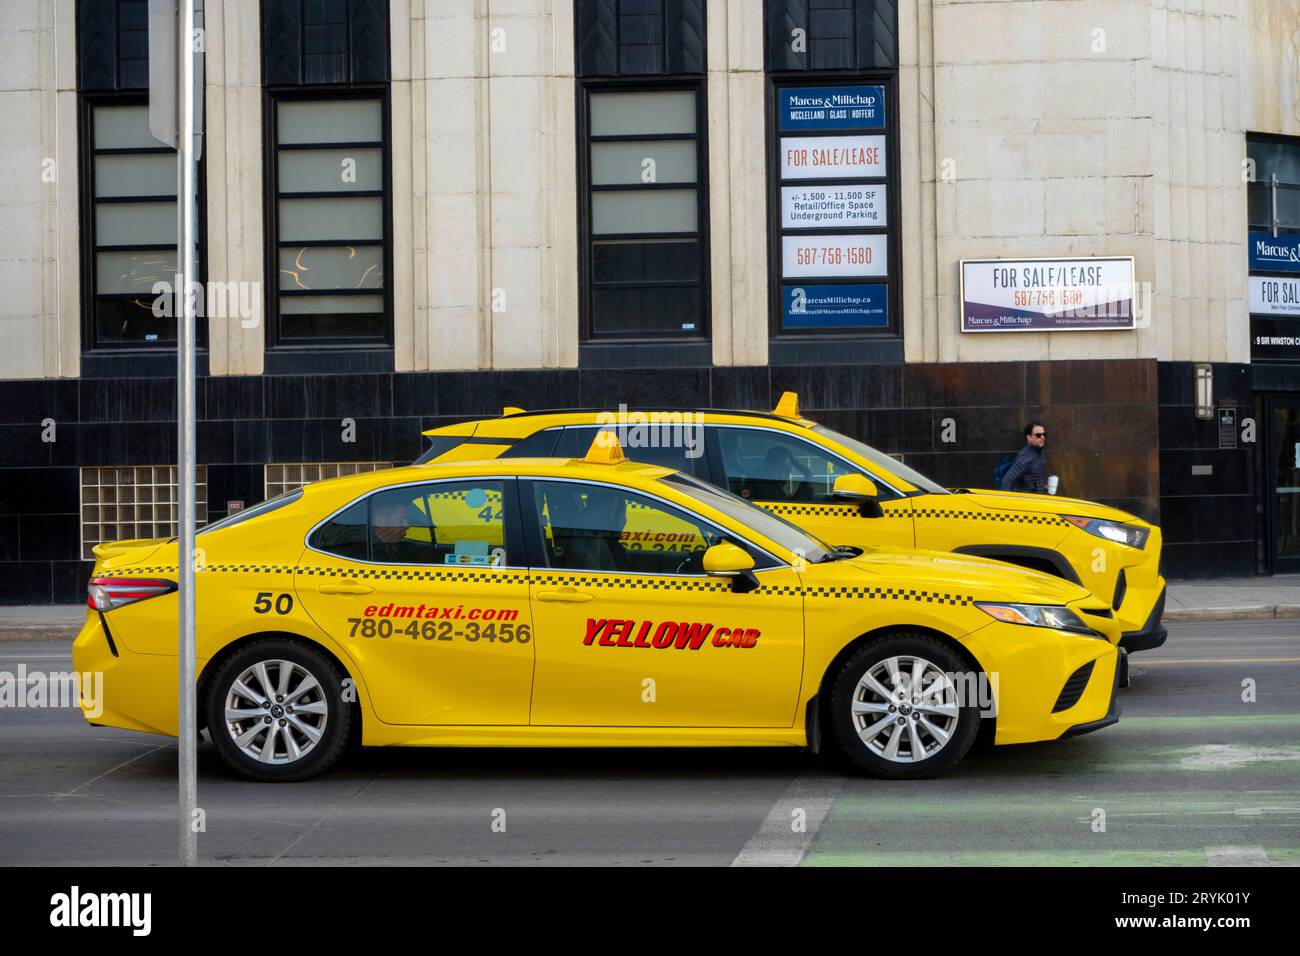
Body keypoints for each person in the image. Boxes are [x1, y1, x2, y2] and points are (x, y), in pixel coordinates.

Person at [1000, 422, 1047, 493]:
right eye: (1038, 435)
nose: (1042, 437)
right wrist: (1009, 499)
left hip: (1034, 497)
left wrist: (1042, 487)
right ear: (1029, 437)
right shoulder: (1025, 458)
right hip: (1026, 498)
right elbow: (1007, 481)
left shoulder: (1038, 453)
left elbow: (1032, 479)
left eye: (1044, 434)